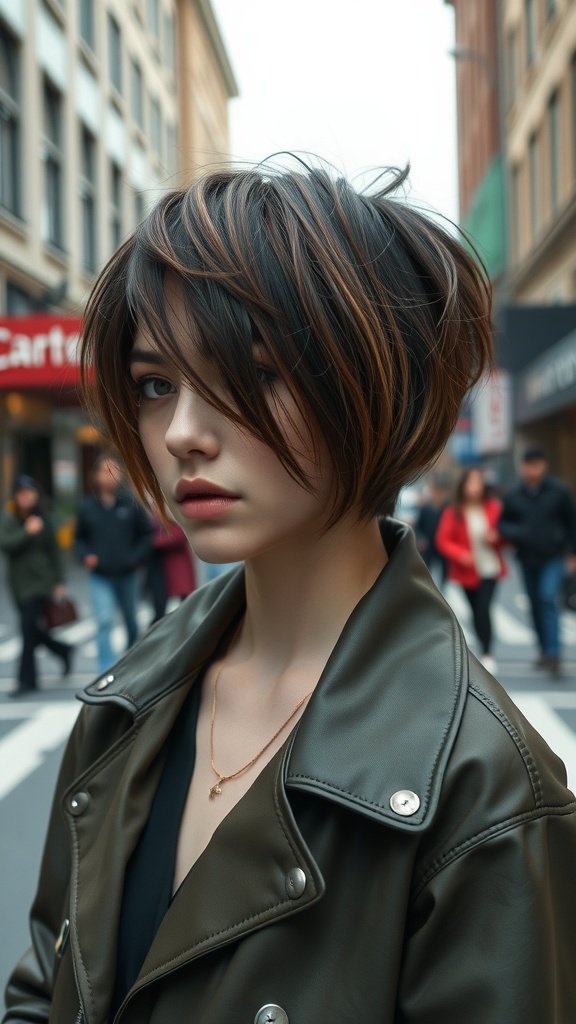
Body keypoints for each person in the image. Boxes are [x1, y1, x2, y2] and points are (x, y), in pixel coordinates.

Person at [4, 160, 576, 1024]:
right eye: (157, 384)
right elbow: (47, 987)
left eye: (255, 373)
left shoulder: (485, 787)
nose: (184, 434)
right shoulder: (131, 696)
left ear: (374, 385)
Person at [498, 446, 576, 677]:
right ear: (522, 467)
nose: (532, 469)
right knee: (534, 604)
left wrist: (572, 553)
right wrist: (519, 533)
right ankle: (543, 651)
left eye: (536, 464)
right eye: (528, 465)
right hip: (526, 558)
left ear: (543, 465)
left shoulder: (559, 491)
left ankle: (553, 653)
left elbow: (572, 523)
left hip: (553, 556)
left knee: (547, 598)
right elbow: (503, 524)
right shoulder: (514, 495)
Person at [74, 453, 153, 672]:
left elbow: (147, 534)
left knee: (131, 620)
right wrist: (85, 555)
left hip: (127, 574)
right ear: (95, 475)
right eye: (105, 470)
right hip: (100, 575)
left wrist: (136, 557)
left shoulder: (130, 503)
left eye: (114, 470)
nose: (110, 475)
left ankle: (134, 665)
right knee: (104, 620)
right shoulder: (88, 507)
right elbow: (79, 539)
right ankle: (105, 670)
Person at [0, 475, 73, 695]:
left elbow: (55, 552)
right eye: (22, 493)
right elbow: (6, 544)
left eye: (30, 493)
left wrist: (59, 581)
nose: (26, 497)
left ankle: (26, 681)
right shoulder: (9, 518)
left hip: (41, 582)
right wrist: (27, 532)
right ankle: (62, 650)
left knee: (27, 630)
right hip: (18, 584)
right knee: (31, 630)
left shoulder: (45, 517)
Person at [435, 467, 506, 674]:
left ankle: (487, 652)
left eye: (478, 481)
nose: (474, 486)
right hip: (467, 571)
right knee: (476, 611)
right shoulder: (454, 510)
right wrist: (461, 555)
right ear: (463, 485)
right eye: (470, 482)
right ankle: (483, 647)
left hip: (490, 568)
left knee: (484, 608)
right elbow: (443, 540)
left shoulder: (494, 507)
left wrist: (497, 538)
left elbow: (506, 533)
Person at [146, 509, 197, 622]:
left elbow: (179, 536)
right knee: (163, 607)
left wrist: (153, 542)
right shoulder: (155, 521)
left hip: (178, 567)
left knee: (185, 602)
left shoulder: (173, 516)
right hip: (163, 569)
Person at [413, 478, 448, 587]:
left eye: (439, 492)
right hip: (428, 545)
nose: (437, 494)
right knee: (427, 569)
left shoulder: (447, 508)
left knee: (445, 569)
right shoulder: (425, 508)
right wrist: (420, 538)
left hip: (443, 545)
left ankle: (444, 587)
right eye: (435, 491)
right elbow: (418, 526)